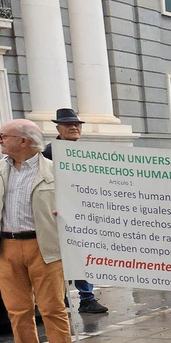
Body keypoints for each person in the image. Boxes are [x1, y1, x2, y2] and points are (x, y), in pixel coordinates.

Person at [0, 118, 74, 343]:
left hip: (44, 246)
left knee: (52, 307)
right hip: (5, 246)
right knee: (17, 310)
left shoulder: (56, 170)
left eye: (4, 136)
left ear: (23, 141)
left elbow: (76, 204)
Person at [44, 108, 107, 315]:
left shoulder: (82, 152)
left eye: (77, 124)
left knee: (81, 255)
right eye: (68, 124)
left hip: (81, 213)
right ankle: (62, 297)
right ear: (58, 128)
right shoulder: (48, 153)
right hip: (58, 213)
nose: (74, 127)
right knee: (61, 257)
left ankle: (86, 298)